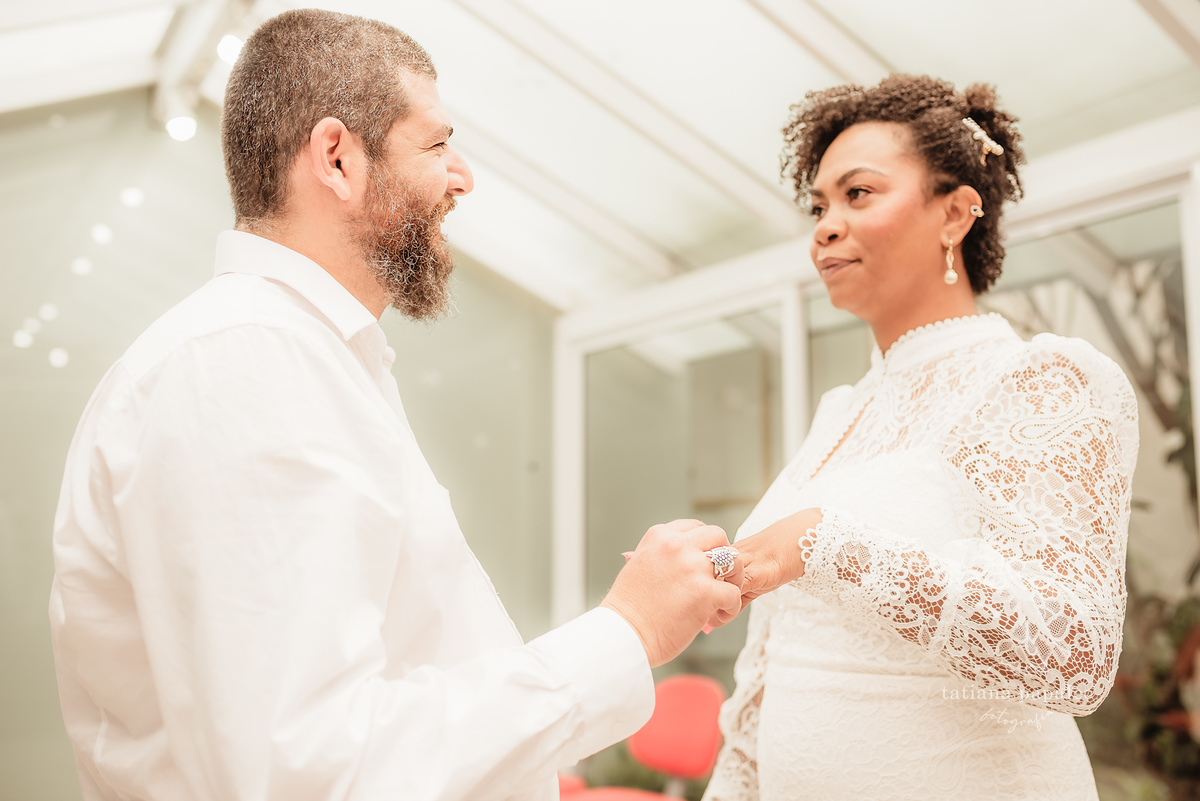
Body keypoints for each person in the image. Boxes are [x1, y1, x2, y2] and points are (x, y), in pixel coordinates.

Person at [47, 10, 745, 801]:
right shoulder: (247, 364)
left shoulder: (301, 357)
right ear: (337, 159)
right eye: (437, 145)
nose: (463, 178)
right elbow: (310, 771)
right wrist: (629, 629)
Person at [701, 75, 1139, 800]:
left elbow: (1075, 656)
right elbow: (768, 670)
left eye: (858, 193)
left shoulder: (1037, 380)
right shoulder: (839, 412)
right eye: (818, 206)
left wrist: (824, 544)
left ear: (956, 214)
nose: (825, 227)